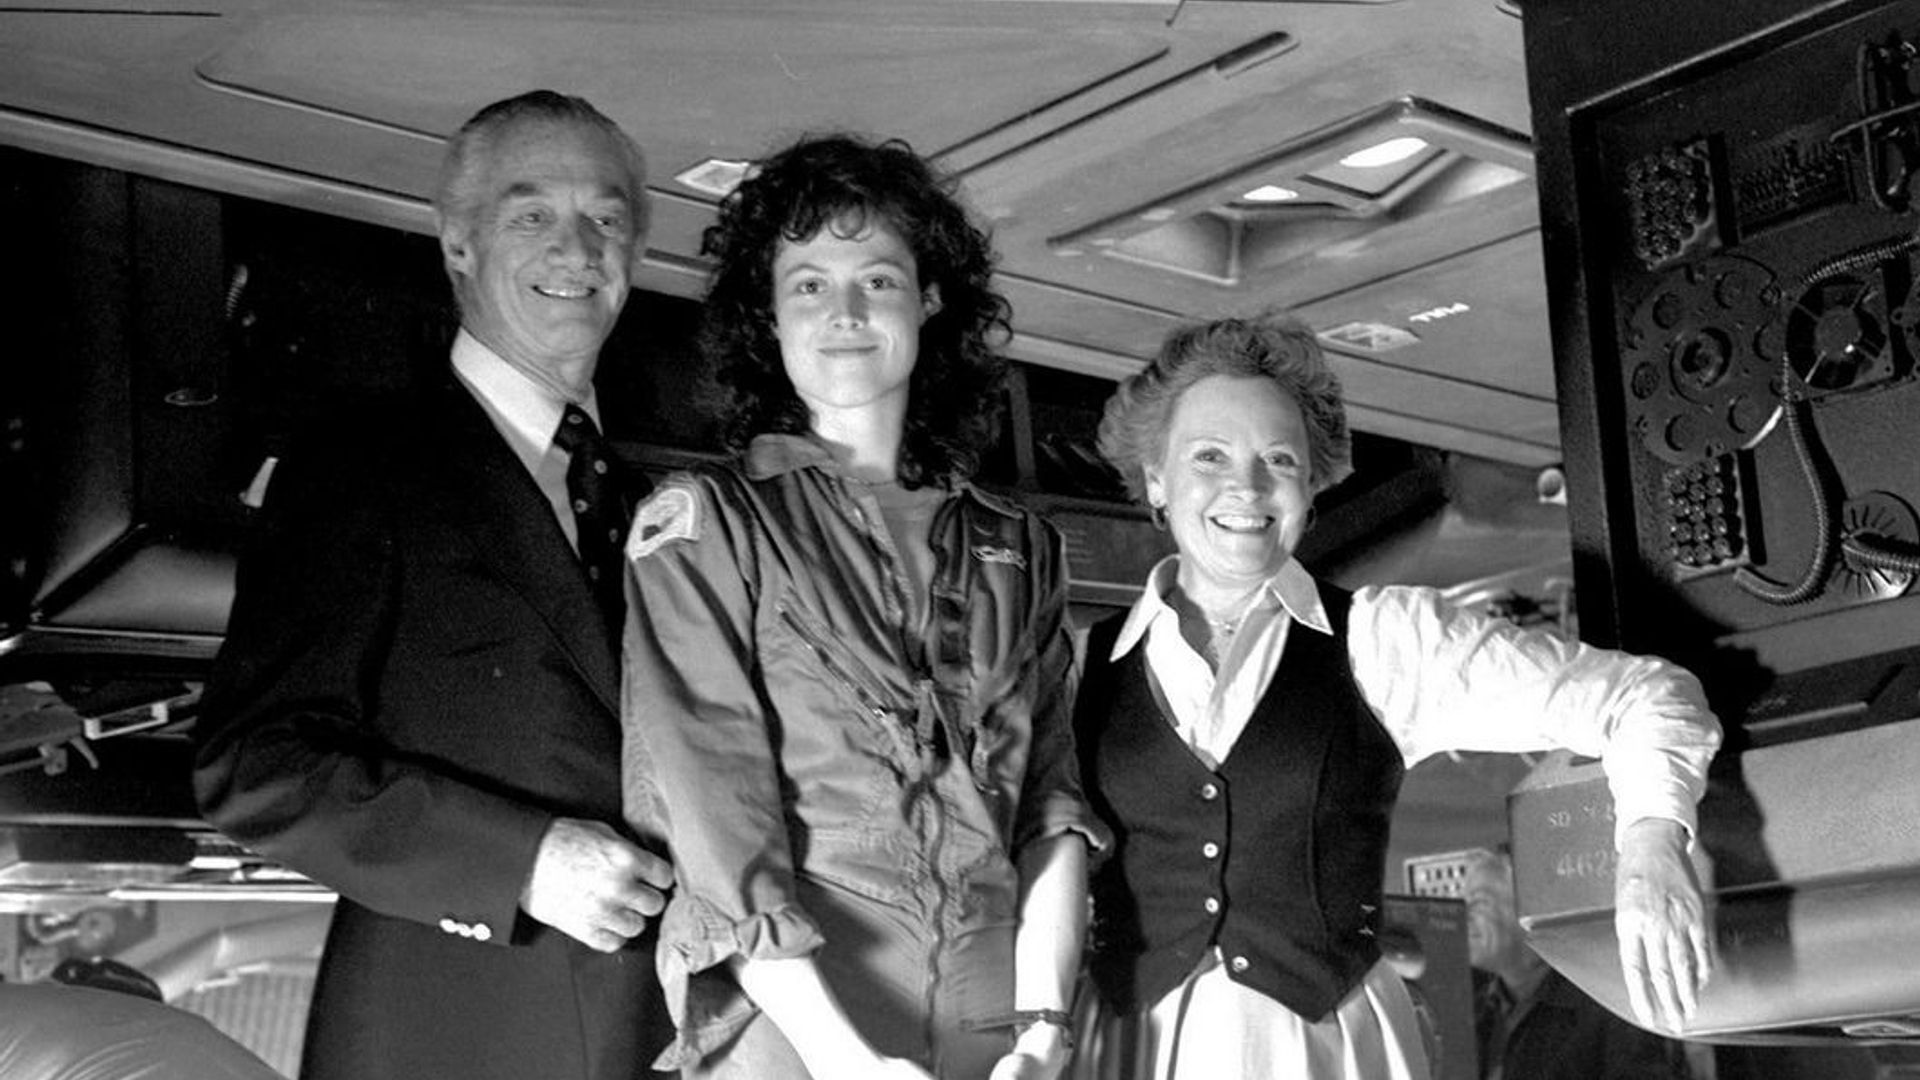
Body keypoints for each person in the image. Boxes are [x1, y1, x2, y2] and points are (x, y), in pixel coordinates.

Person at [1070, 312, 1721, 1080]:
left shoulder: (1385, 640)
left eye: (1278, 459)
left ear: (1310, 488)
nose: (1245, 486)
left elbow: (1648, 695)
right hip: (1131, 1050)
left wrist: (1650, 844)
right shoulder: (1079, 665)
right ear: (1155, 476)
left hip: (1323, 1049)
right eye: (1209, 456)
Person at [193, 90, 673, 1080]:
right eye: (532, 215)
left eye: (608, 220)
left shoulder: (657, 508)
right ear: (458, 244)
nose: (577, 251)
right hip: (456, 1033)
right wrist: (522, 860)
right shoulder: (363, 467)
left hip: (668, 1030)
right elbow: (255, 764)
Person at [620, 133, 1102, 1080]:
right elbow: (716, 815)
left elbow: (1051, 803)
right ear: (769, 311)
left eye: (877, 280)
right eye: (807, 284)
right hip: (797, 1021)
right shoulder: (709, 525)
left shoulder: (1019, 547)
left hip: (994, 1017)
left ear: (926, 299)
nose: (843, 311)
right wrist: (845, 1060)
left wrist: (1044, 1026)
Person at [1463, 848, 1693, 1080]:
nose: (1464, 916)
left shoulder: (1608, 1003)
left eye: (1479, 902)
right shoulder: (1475, 1012)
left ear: (1530, 910)